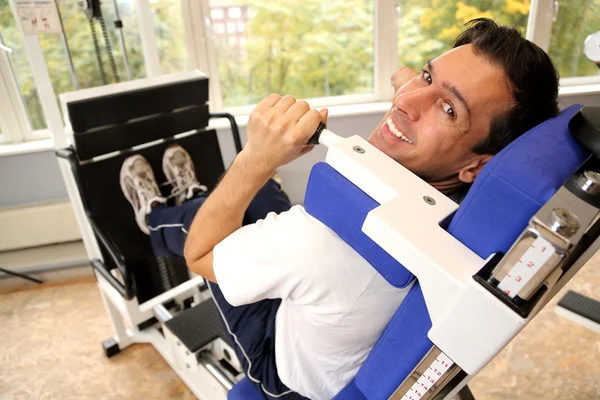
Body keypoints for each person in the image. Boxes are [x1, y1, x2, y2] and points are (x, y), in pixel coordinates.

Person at [118, 18, 559, 400]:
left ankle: (156, 214)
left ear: (476, 165)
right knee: (265, 197)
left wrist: (256, 157)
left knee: (210, 214)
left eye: (447, 108)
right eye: (425, 77)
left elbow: (202, 253)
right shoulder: (469, 211)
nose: (405, 102)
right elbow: (431, 103)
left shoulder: (320, 241)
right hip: (335, 328)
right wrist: (436, 96)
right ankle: (200, 195)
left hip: (285, 371)